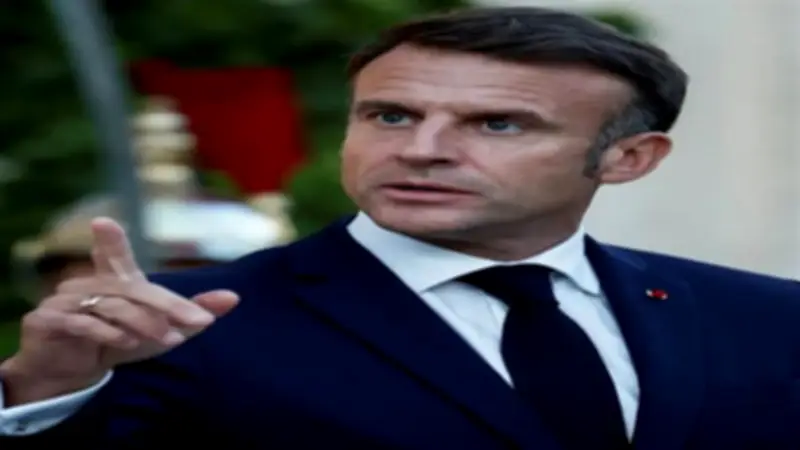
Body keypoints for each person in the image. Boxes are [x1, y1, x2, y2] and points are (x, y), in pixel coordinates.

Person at [1, 6, 798, 449]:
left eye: (497, 124)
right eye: (390, 115)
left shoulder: (768, 320)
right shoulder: (176, 324)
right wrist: (44, 392)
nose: (421, 150)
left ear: (627, 158)